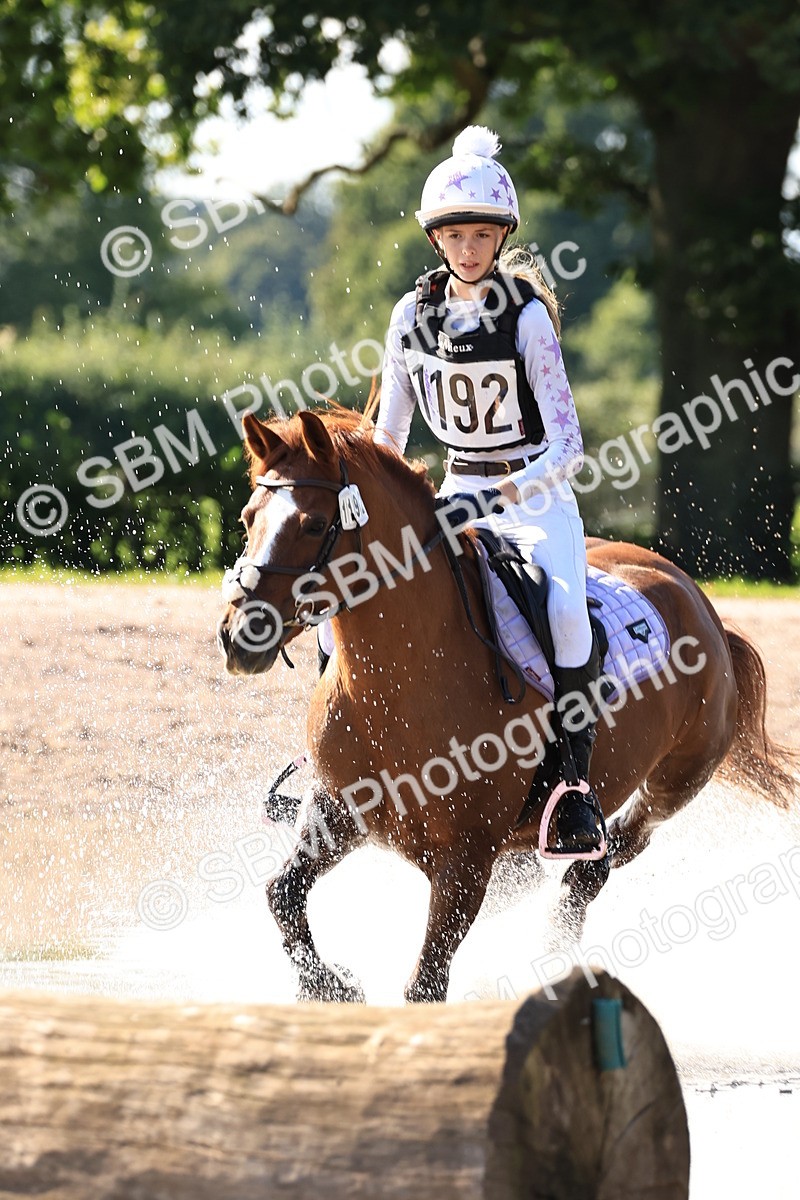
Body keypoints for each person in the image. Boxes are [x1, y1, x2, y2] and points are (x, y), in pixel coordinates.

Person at [373, 125, 605, 856]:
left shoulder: (527, 318)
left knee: (565, 612)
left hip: (534, 500)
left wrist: (496, 497)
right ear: (435, 239)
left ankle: (573, 789)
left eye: (481, 234)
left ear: (502, 237)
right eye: (455, 235)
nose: (468, 249)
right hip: (451, 492)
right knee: (350, 589)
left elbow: (568, 447)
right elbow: (388, 437)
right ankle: (329, 758)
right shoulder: (410, 317)